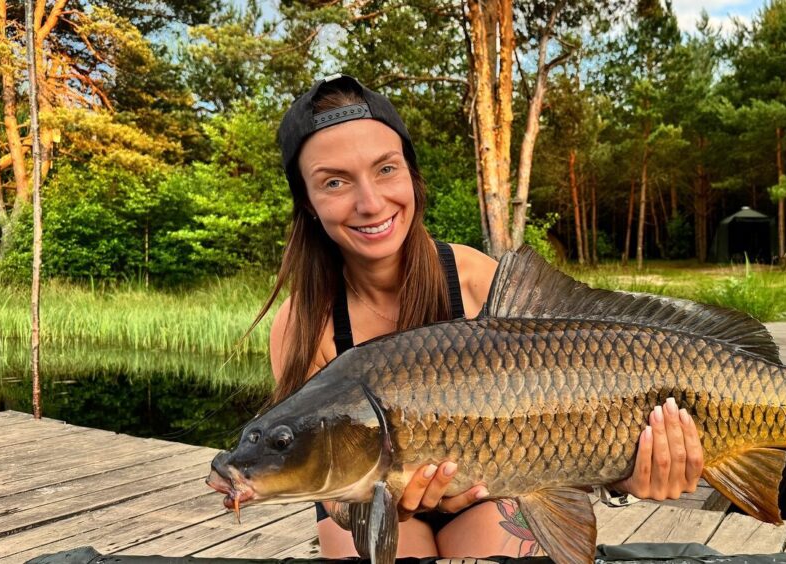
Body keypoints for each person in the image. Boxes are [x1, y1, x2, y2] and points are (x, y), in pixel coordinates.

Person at [254, 74, 705, 559]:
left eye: (386, 169)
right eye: (336, 182)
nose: (370, 202)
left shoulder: (477, 281)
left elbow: (568, 416)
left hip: (495, 486)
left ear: (411, 174)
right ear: (306, 200)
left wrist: (626, 476)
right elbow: (318, 477)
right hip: (365, 501)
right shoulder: (301, 327)